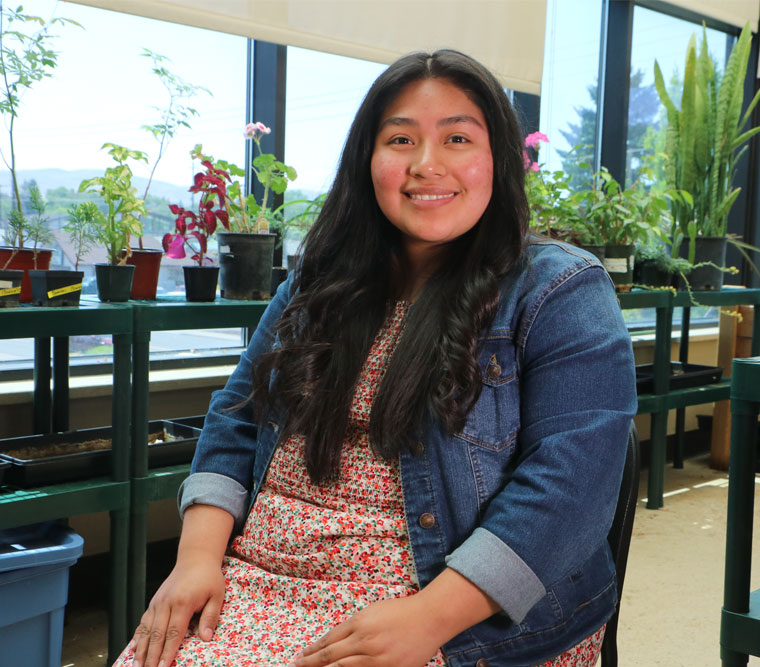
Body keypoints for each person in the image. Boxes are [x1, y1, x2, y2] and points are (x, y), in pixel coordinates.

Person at [117, 49, 636, 667]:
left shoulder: (558, 290)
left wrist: (428, 620)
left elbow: (572, 486)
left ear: (497, 158)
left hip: (447, 605)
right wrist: (197, 559)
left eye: (458, 138)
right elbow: (237, 415)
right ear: (368, 159)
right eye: (399, 139)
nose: (426, 165)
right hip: (259, 578)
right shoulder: (318, 281)